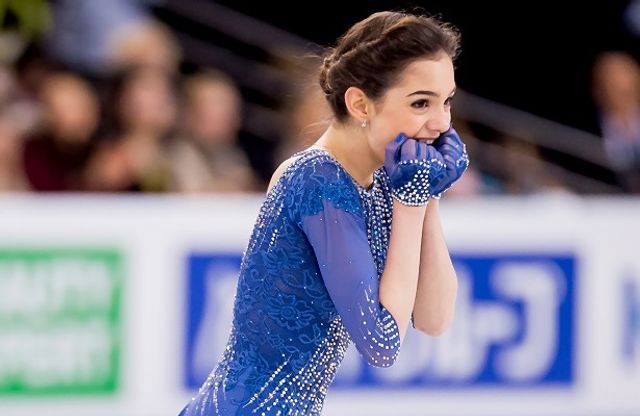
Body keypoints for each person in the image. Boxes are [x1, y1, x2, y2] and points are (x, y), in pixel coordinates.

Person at [178, 10, 469, 416]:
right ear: (360, 104)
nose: (441, 124)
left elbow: (434, 319)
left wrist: (429, 194)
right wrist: (413, 200)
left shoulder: (386, 180)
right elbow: (381, 344)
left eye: (446, 101)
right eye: (421, 103)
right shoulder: (315, 179)